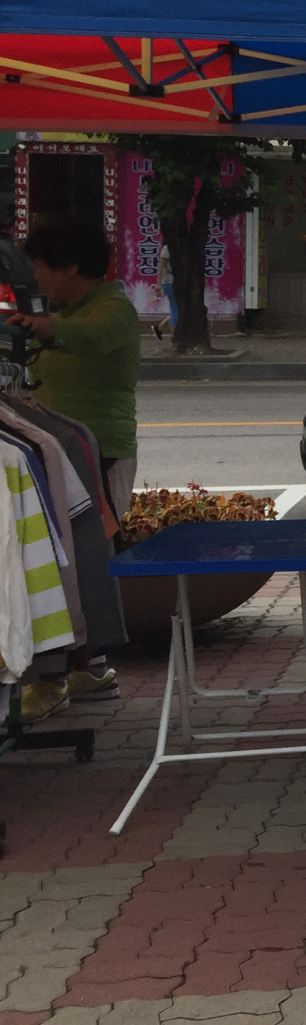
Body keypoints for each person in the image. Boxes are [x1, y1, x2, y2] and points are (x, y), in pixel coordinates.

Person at [8, 217, 141, 715]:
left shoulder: (112, 309)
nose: (37, 278)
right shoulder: (75, 307)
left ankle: (70, 671)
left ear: (68, 265)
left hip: (96, 452)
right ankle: (84, 668)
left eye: (41, 267)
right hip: (55, 454)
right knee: (71, 557)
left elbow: (92, 335)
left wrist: (45, 328)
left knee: (80, 555)